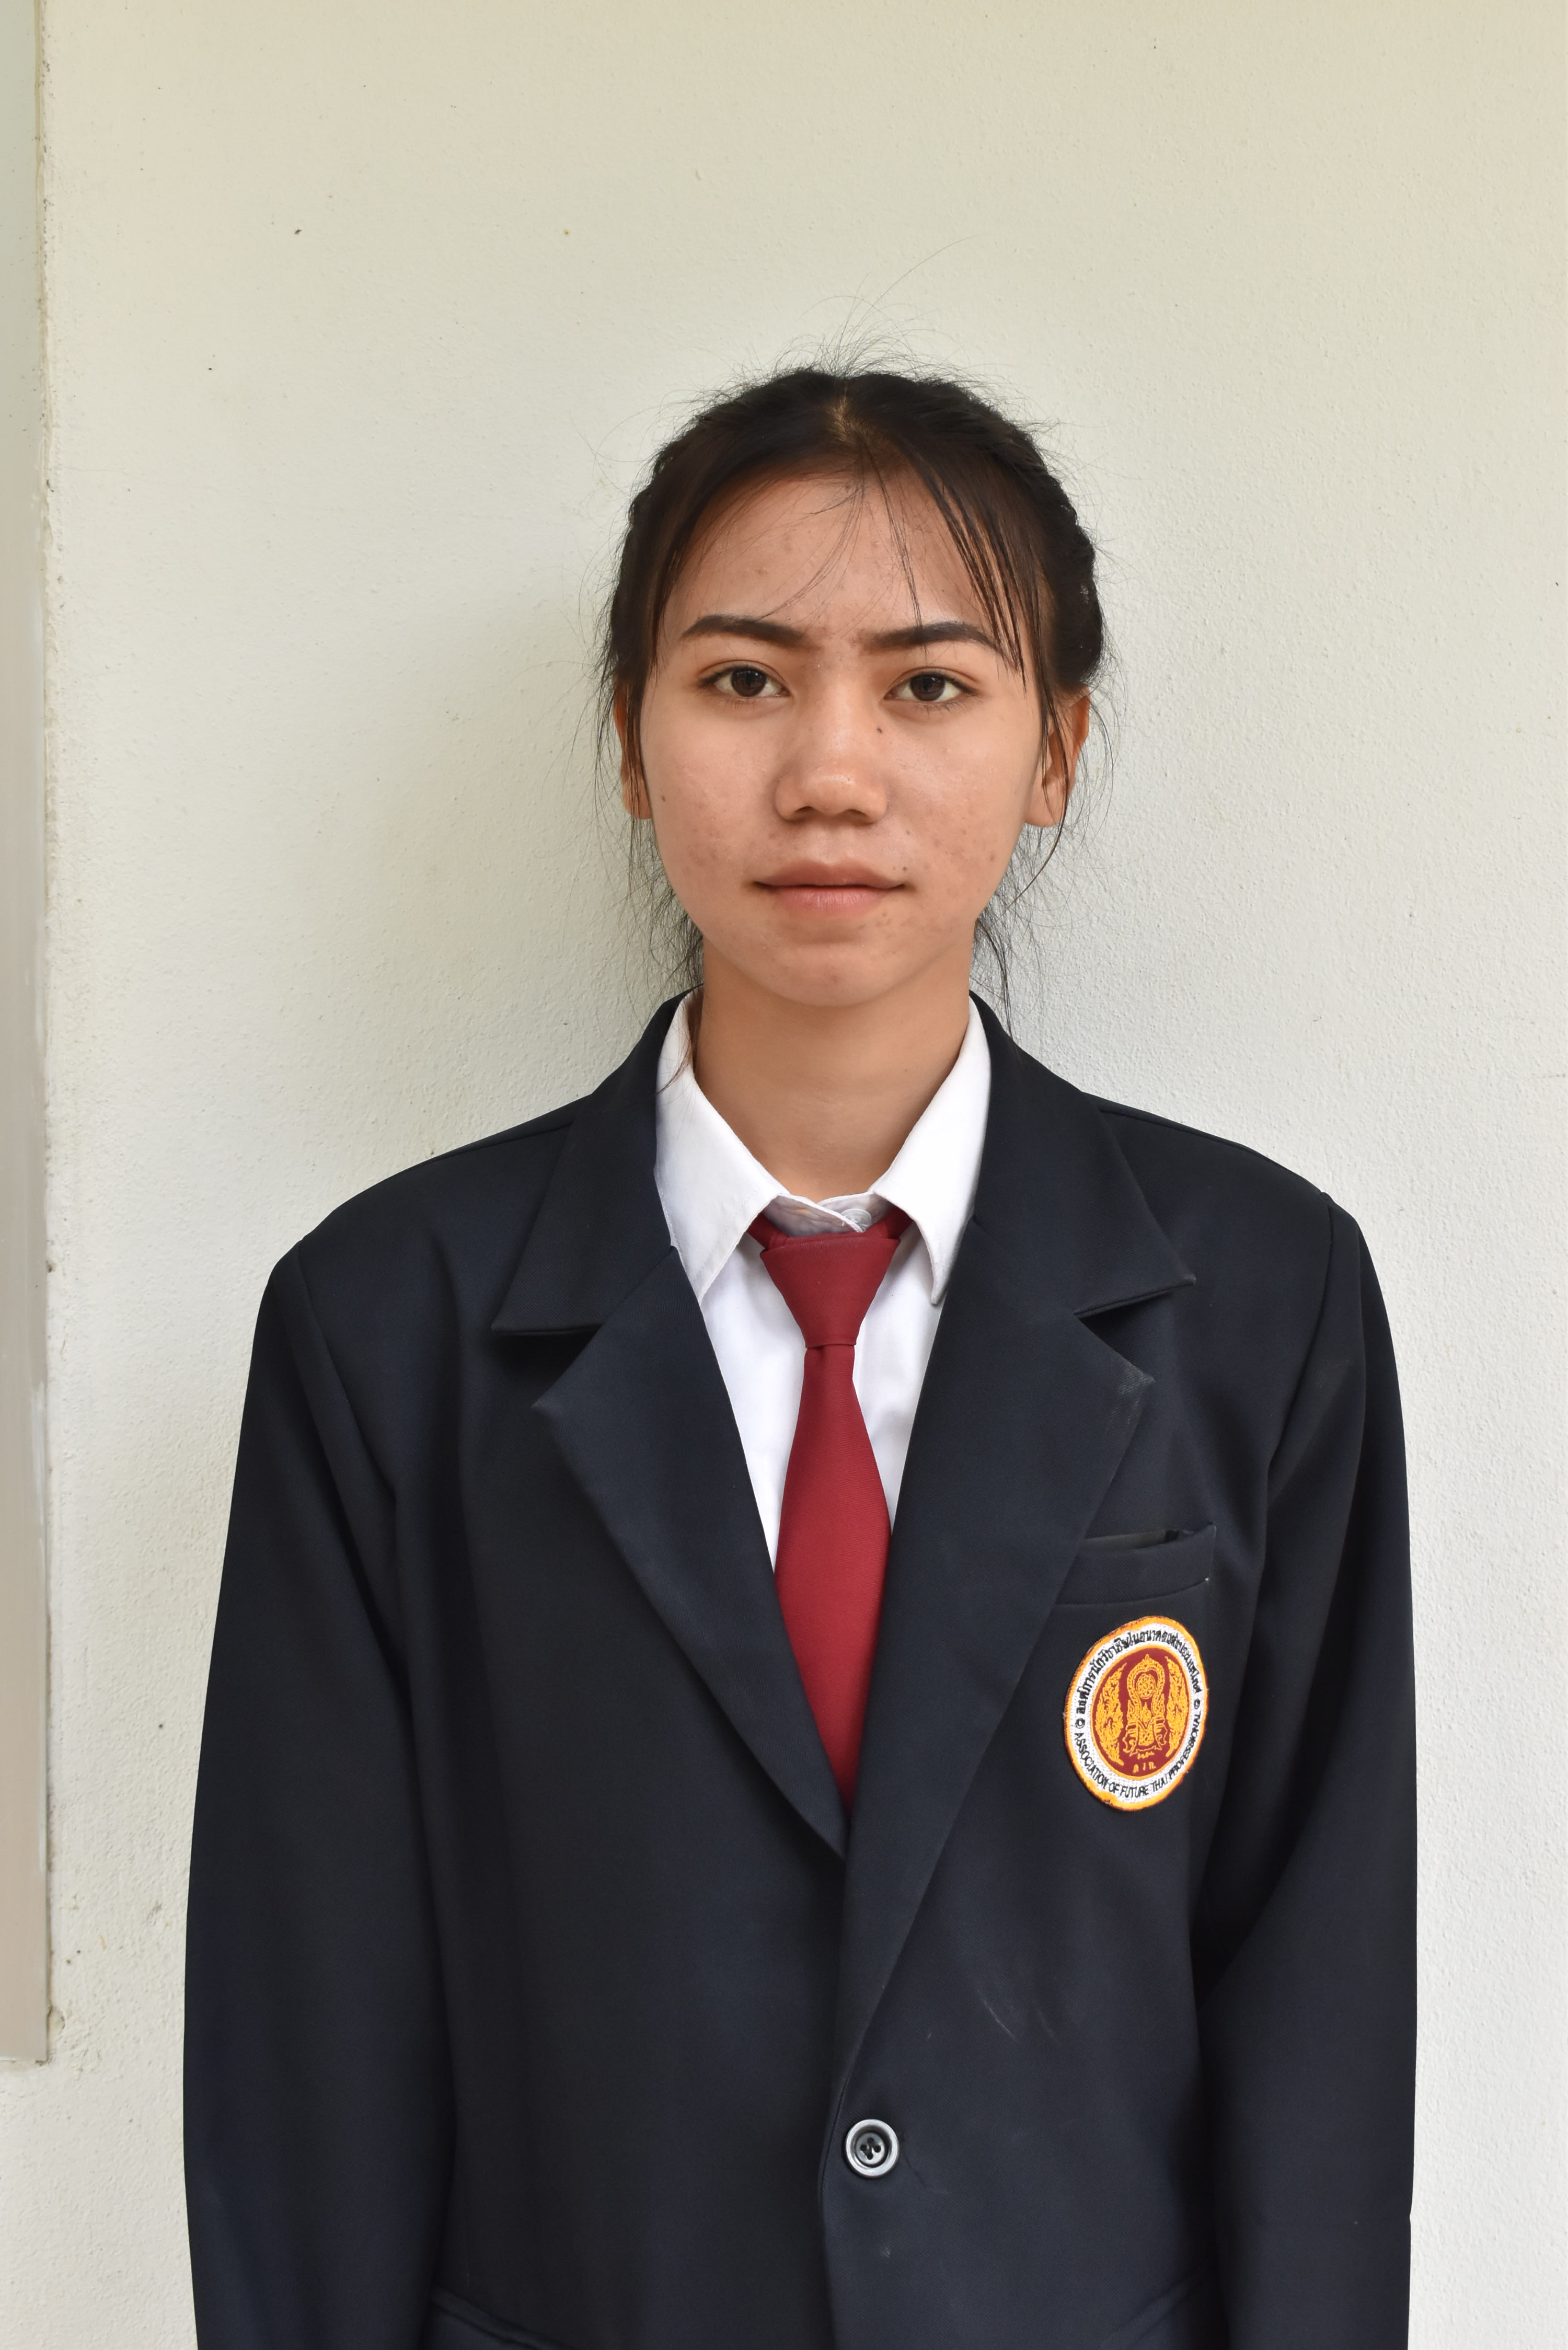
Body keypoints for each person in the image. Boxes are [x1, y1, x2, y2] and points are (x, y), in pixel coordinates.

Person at [184, 366, 1415, 2350]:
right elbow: (304, 2058)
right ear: (629, 736)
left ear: (1055, 749)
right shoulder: (384, 1330)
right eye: (744, 679)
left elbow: (1321, 2015)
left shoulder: (1262, 1306)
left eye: (928, 684)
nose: (831, 772)